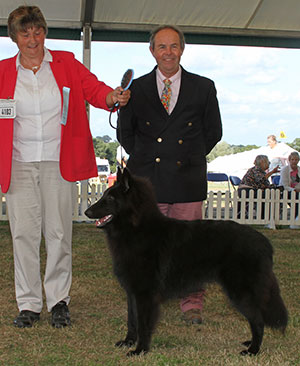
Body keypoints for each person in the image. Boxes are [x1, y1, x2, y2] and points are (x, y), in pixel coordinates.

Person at [0, 5, 130, 328]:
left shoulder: (66, 63)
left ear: (45, 32)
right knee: (24, 235)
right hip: (18, 163)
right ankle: (29, 304)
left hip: (59, 160)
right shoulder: (2, 71)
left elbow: (94, 88)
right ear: (13, 36)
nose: (33, 39)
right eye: (25, 33)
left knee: (59, 232)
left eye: (38, 31)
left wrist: (111, 96)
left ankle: (59, 301)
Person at [118, 25, 222, 324]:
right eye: (162, 47)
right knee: (146, 246)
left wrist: (188, 156)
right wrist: (148, 158)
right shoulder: (134, 89)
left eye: (174, 46)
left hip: (186, 178)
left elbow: (214, 132)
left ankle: (192, 304)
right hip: (148, 181)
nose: (168, 52)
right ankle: (147, 298)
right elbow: (127, 132)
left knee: (191, 247)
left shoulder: (203, 86)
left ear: (182, 49)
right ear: (152, 51)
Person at [238, 155, 280, 219]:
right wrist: (272, 172)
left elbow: (264, 184)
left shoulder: (260, 171)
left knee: (268, 194)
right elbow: (261, 180)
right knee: (266, 195)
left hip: (252, 191)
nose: (269, 163)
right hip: (247, 191)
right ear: (262, 162)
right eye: (267, 161)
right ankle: (264, 216)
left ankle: (265, 216)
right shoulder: (256, 170)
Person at [279, 151, 300, 229]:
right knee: (295, 199)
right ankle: (294, 222)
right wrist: (294, 189)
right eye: (293, 159)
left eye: (296, 160)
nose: (294, 161)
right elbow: (285, 185)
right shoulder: (285, 170)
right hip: (286, 191)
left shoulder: (299, 170)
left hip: (297, 191)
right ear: (289, 160)